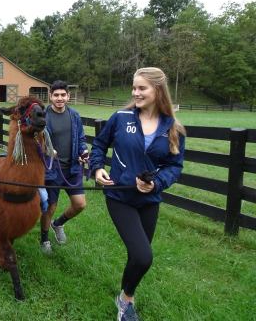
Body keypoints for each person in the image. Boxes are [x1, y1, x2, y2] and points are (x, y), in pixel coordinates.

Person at [89, 67, 186, 321]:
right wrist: (97, 168)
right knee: (144, 256)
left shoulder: (172, 127)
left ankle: (125, 295)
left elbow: (174, 167)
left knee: (138, 257)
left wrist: (156, 184)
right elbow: (99, 144)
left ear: (158, 90)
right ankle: (126, 302)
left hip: (149, 200)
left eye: (142, 88)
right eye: (134, 88)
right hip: (119, 196)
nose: (136, 93)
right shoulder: (121, 118)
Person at [40, 80, 89, 254]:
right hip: (52, 169)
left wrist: (84, 151)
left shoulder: (74, 115)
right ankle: (44, 239)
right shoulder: (43, 116)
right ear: (50, 96)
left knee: (80, 204)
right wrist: (46, 149)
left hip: (73, 169)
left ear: (68, 96)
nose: (59, 98)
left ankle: (58, 224)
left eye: (63, 95)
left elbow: (81, 139)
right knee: (50, 207)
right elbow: (35, 141)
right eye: (56, 95)